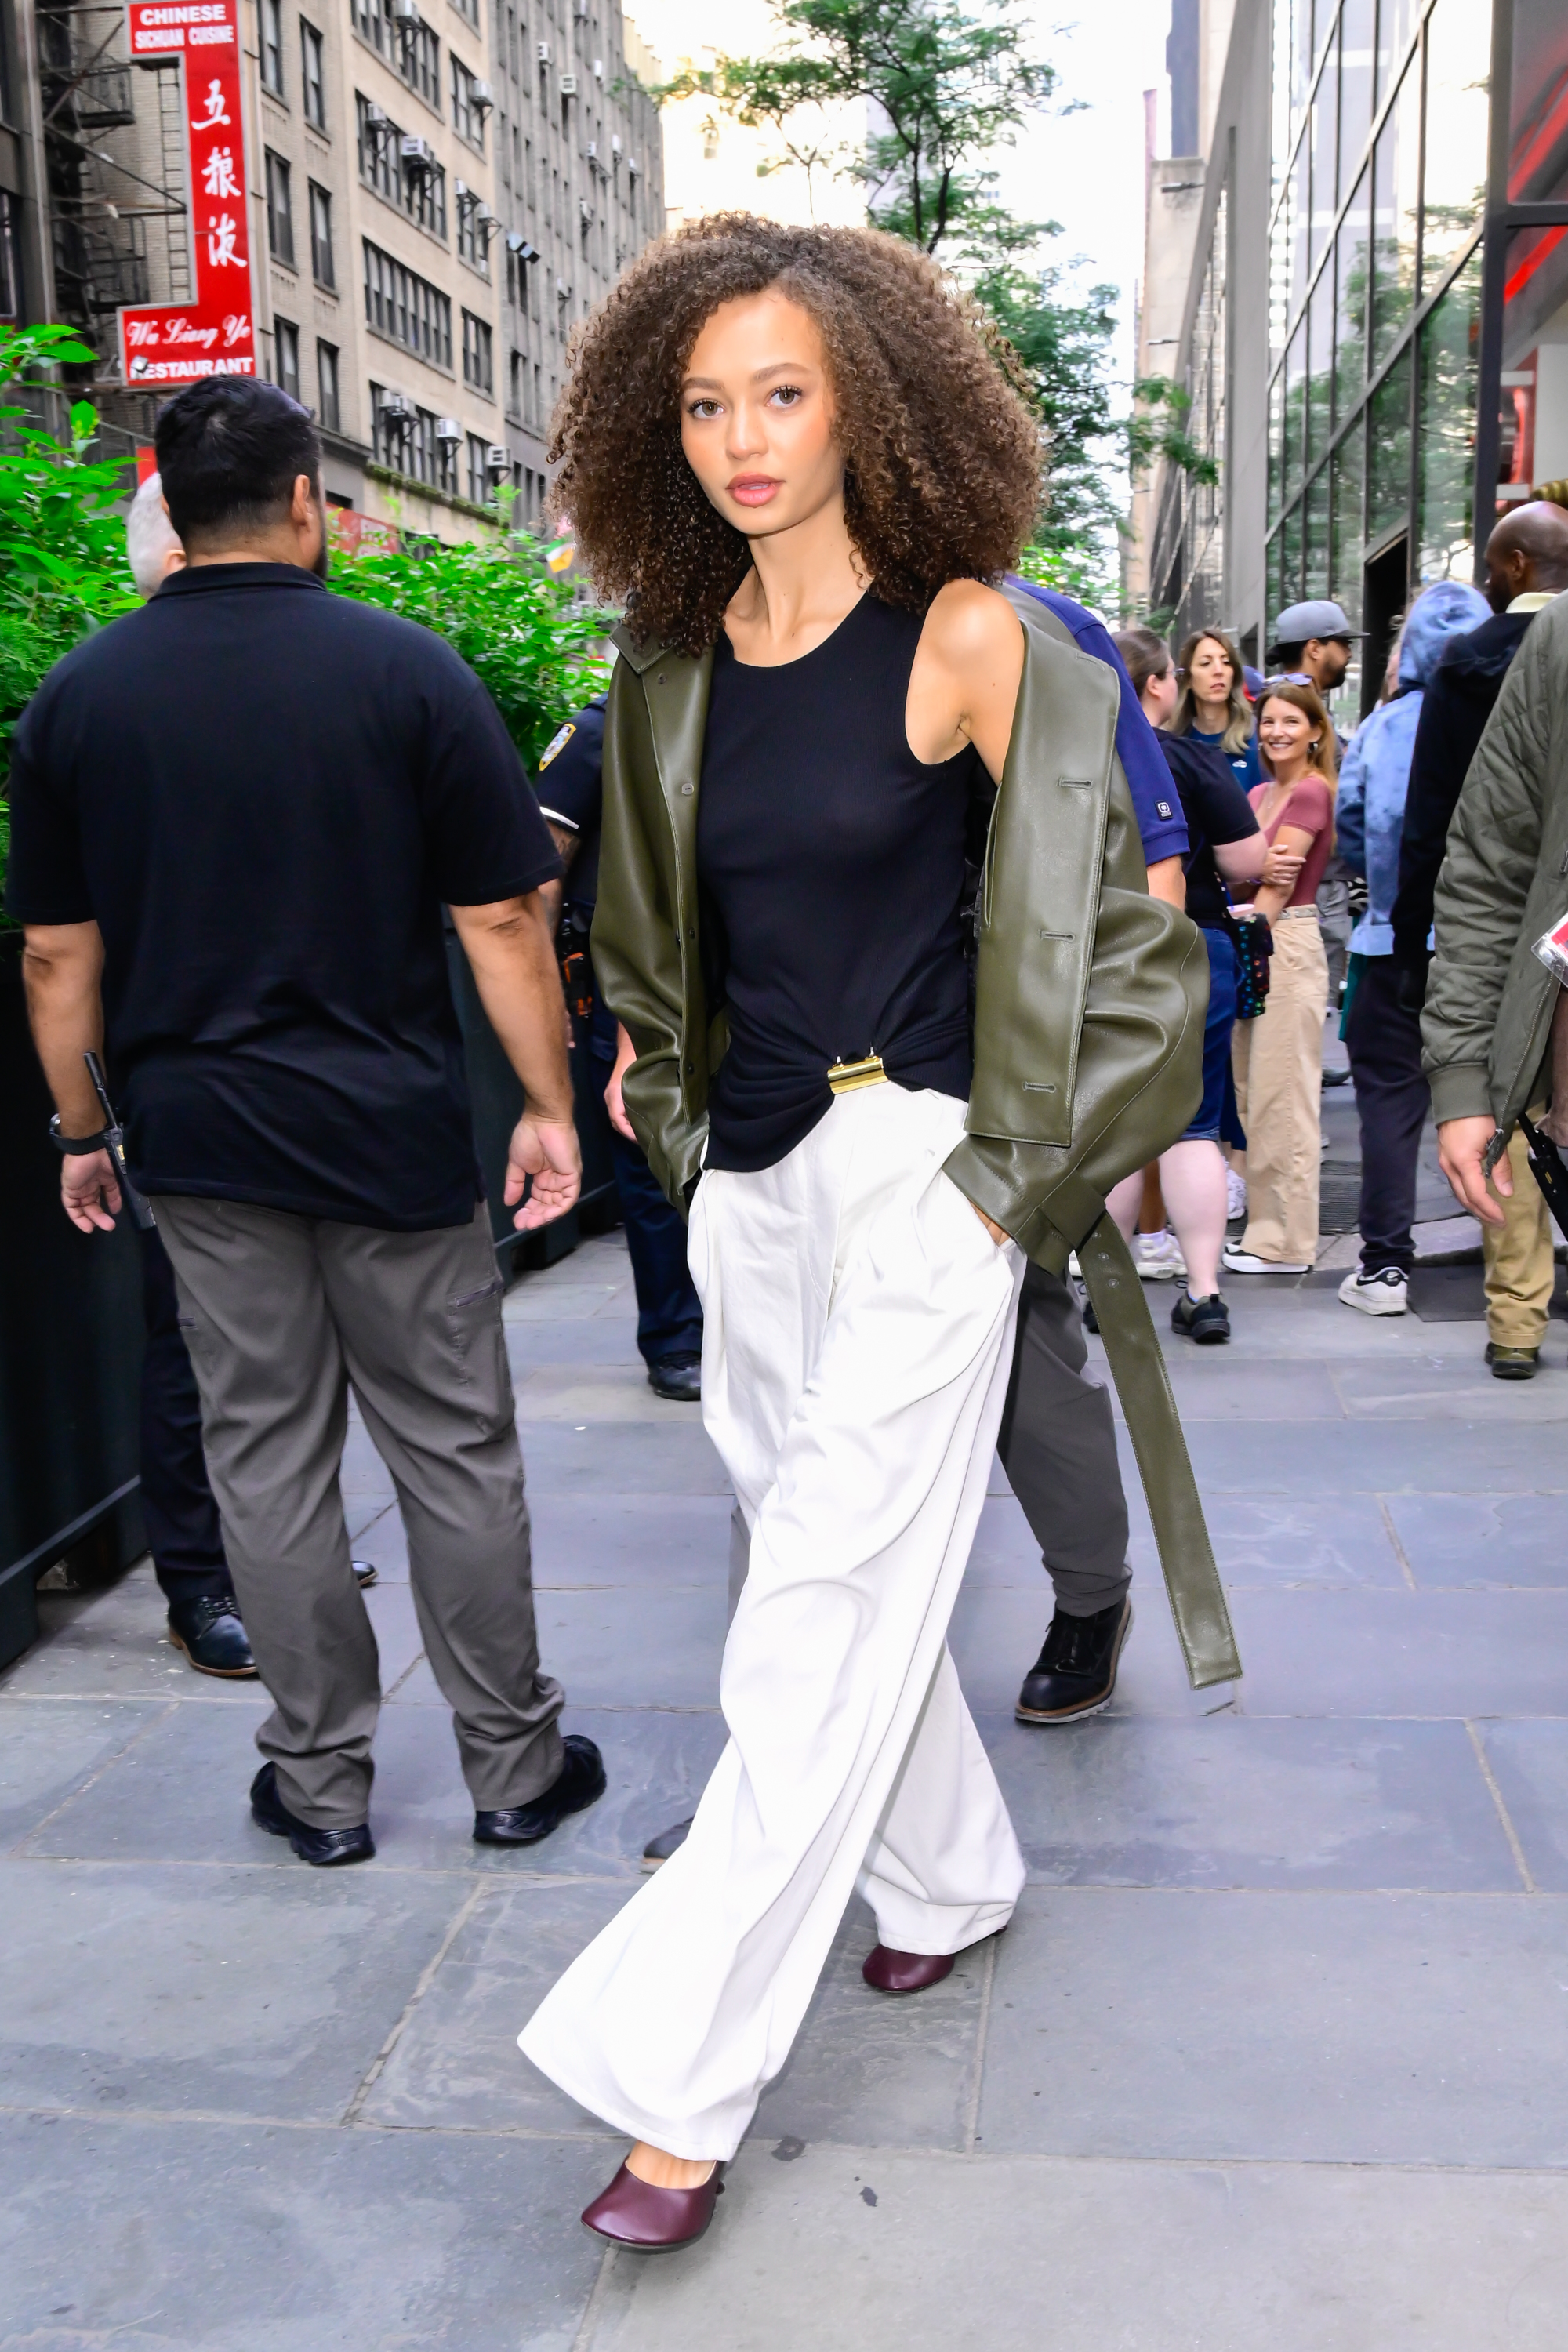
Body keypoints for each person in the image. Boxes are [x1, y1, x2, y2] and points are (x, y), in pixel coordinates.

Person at [515, 216, 1208, 2251]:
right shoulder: (662, 668)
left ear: (872, 401)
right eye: (706, 403)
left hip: (929, 1181)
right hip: (745, 1198)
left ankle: (676, 2086)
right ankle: (947, 1879)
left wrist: (1013, 1189)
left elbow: (1141, 957)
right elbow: (649, 947)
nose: (741, 438)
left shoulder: (972, 637)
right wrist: (657, 1122)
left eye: (783, 394)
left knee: (809, 1613)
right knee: (841, 1582)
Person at [5, 377, 604, 1867]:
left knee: (262, 1458)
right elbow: (505, 920)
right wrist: (545, 1106)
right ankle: (514, 1770)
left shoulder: (82, 699)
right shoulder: (406, 674)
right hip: (390, 1132)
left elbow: (55, 956)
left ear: (167, 503)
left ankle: (323, 1786)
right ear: (304, 507)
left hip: (201, 1142)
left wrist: (82, 1128)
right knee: (454, 1452)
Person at [1392, 507, 1568, 1376]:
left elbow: (1435, 831)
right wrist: (1458, 1067)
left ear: (1509, 565)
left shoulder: (1463, 661)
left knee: (1517, 1146)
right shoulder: (1553, 647)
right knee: (1517, 1130)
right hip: (1537, 973)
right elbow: (1485, 855)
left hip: (1521, 975)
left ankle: (1514, 1323)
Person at [535, 699, 706, 1401]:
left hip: (731, 964)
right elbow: (542, 860)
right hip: (625, 971)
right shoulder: (600, 728)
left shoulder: (733, 707)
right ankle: (676, 1339)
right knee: (644, 1148)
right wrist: (540, 989)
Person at [1111, 626, 1275, 1341]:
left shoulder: (1066, 763)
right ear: (1156, 685)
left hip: (1100, 952)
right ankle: (1204, 1293)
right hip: (1195, 946)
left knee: (1110, 1126)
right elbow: (1249, 861)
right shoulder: (1190, 761)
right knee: (1196, 1123)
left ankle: (1104, 1287)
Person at [1334, 580, 1489, 1316]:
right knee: (1501, 1105)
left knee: (1389, 1109)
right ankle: (1514, 1271)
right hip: (1485, 951)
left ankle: (1386, 1268)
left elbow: (1352, 829)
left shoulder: (1383, 727)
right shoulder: (1506, 720)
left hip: (1391, 939)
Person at [1225, 681, 1338, 1276]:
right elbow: (1241, 870)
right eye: (1268, 721)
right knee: (1255, 1094)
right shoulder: (1265, 790)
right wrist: (1248, 880)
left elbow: (1274, 884)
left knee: (1286, 1097)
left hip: (1286, 940)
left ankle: (1286, 1244)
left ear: (1316, 731)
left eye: (1291, 721)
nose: (1276, 732)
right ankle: (1268, 1234)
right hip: (1261, 940)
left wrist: (1247, 892)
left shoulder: (1312, 792)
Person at [1266, 598, 1363, 1000]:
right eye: (1343, 643)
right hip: (1308, 896)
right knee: (1301, 1016)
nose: (1349, 653)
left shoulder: (1267, 707)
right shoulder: (1298, 717)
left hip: (1291, 893)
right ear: (1315, 647)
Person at [1170, 626, 1262, 790]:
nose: (1219, 671)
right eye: (1206, 663)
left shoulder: (1258, 735)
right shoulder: (1175, 743)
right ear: (1188, 678)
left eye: (1226, 662)